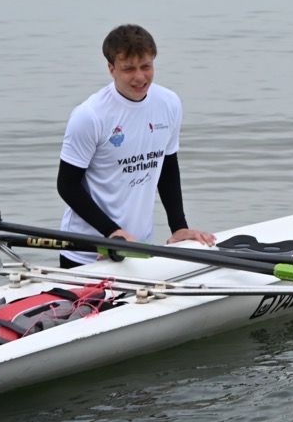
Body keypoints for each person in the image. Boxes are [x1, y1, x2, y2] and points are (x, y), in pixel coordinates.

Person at [55, 24, 215, 268]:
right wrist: (111, 232)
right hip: (87, 252)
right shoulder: (89, 116)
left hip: (137, 247)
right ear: (111, 68)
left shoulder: (169, 103)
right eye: (129, 69)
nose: (140, 77)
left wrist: (179, 227)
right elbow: (67, 185)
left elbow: (167, 168)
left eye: (146, 67)